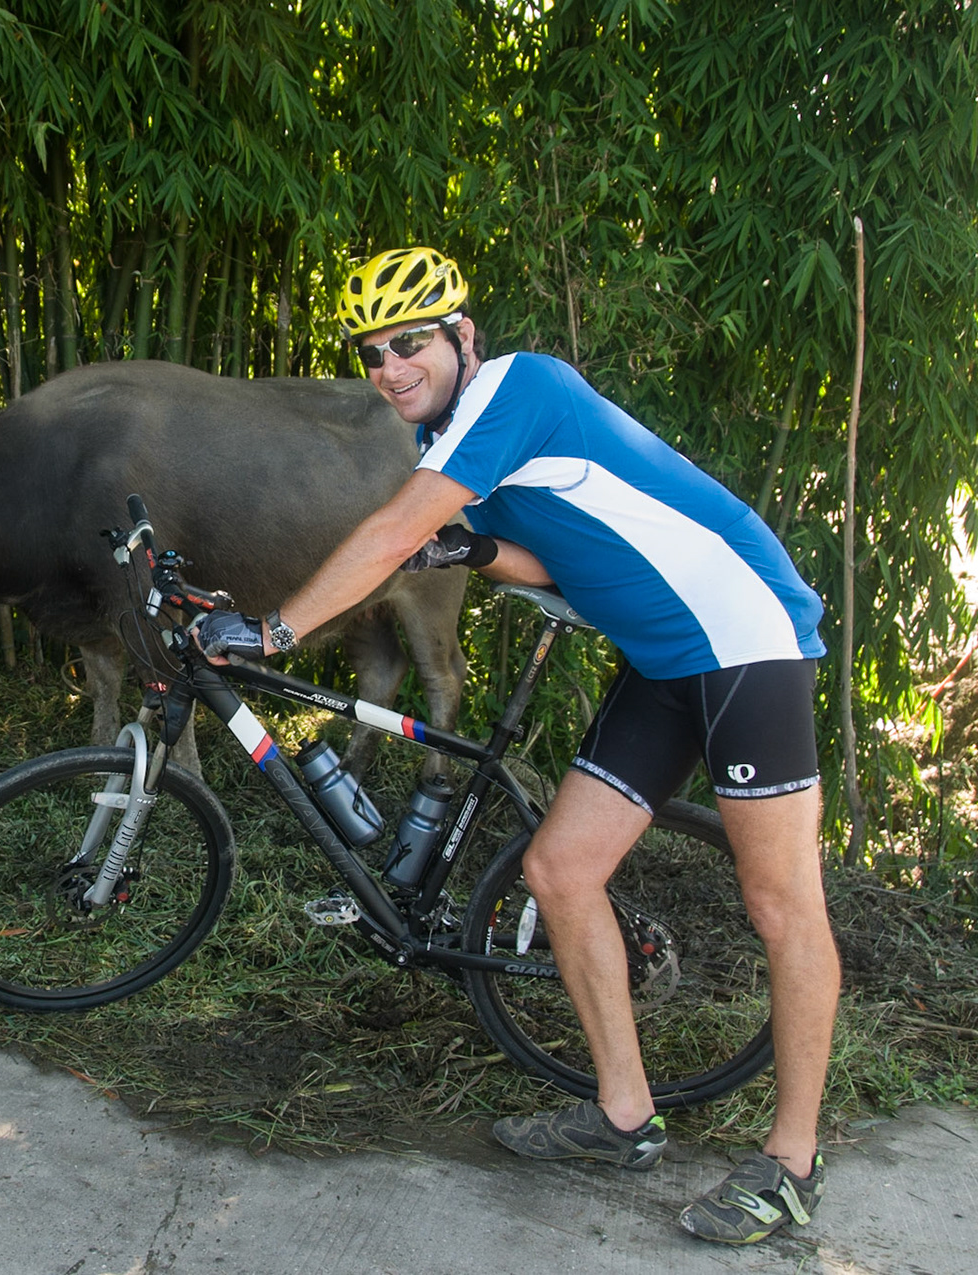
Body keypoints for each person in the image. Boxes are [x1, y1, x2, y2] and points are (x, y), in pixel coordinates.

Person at [192, 247, 838, 1245]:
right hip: (664, 659)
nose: (390, 367)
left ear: (463, 337)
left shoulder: (519, 387)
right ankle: (623, 1116)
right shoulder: (453, 447)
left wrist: (271, 631)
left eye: (410, 342)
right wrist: (482, 549)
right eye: (371, 353)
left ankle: (791, 1163)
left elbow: (391, 534)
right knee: (559, 868)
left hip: (747, 638)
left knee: (779, 901)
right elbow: (547, 555)